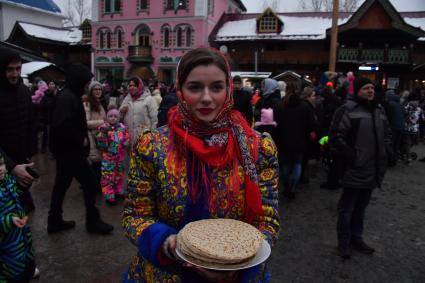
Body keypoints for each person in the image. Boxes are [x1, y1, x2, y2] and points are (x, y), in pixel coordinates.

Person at [122, 47, 280, 282]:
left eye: (216, 87)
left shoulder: (258, 149)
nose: (206, 98)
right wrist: (168, 244)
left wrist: (235, 263)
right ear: (181, 90)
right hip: (165, 274)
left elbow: (267, 220)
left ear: (228, 90)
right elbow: (135, 215)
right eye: (195, 87)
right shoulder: (152, 147)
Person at [329, 77, 392, 259]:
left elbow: (387, 133)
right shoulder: (347, 110)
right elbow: (335, 137)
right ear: (357, 90)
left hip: (373, 170)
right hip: (354, 169)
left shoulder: (379, 110)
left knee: (361, 208)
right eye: (366, 88)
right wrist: (353, 157)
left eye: (372, 88)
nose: (370, 91)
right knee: (347, 208)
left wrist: (386, 151)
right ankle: (344, 243)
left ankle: (357, 239)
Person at [48, 64, 114, 235]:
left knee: (61, 186)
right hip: (70, 152)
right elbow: (60, 125)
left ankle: (54, 220)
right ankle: (93, 222)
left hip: (67, 151)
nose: (87, 85)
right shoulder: (67, 97)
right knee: (90, 183)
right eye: (85, 82)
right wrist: (81, 139)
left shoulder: (70, 95)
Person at [0, 47, 37, 213]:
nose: (15, 74)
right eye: (9, 69)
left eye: (18, 68)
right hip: (3, 168)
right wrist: (12, 166)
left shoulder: (23, 90)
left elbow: (30, 123)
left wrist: (30, 153)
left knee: (24, 212)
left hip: (22, 164)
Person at [0, 150, 39, 282]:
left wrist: (24, 186)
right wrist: (9, 221)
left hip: (21, 237)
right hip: (7, 245)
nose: (0, 169)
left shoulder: (7, 180)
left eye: (1, 164)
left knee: (28, 266)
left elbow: (15, 193)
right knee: (15, 274)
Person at [275, 83, 316, 199]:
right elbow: (311, 123)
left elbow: (275, 123)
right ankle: (293, 187)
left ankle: (287, 184)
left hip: (283, 141)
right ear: (298, 92)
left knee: (285, 164)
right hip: (300, 140)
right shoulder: (304, 106)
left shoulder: (280, 105)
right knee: (298, 164)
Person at [96, 109, 129, 205]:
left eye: (115, 116)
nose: (113, 118)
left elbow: (126, 137)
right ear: (107, 117)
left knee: (119, 174)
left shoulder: (122, 127)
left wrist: (126, 141)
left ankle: (118, 190)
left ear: (118, 118)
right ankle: (109, 195)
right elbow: (100, 142)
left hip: (120, 156)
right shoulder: (103, 128)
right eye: (111, 116)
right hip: (108, 156)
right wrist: (103, 136)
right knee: (108, 176)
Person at [119, 77, 158, 145]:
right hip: (129, 137)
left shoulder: (148, 99)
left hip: (144, 137)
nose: (132, 87)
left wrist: (152, 135)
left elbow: (154, 119)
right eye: (130, 85)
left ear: (140, 86)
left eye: (134, 85)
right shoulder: (127, 98)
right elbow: (119, 117)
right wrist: (122, 111)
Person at [83, 81, 106, 187]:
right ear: (91, 91)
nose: (98, 91)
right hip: (92, 137)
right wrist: (103, 122)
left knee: (98, 164)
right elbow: (85, 123)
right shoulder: (87, 104)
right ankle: (92, 186)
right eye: (95, 89)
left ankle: (95, 185)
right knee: (94, 164)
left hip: (100, 137)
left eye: (99, 89)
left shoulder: (99, 103)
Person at [40, 80, 58, 154]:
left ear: (55, 86)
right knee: (47, 135)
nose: (51, 85)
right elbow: (42, 108)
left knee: (54, 136)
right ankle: (45, 149)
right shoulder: (45, 96)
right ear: (48, 86)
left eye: (53, 84)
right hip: (47, 119)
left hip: (56, 119)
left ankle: (52, 150)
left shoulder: (58, 95)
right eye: (50, 84)